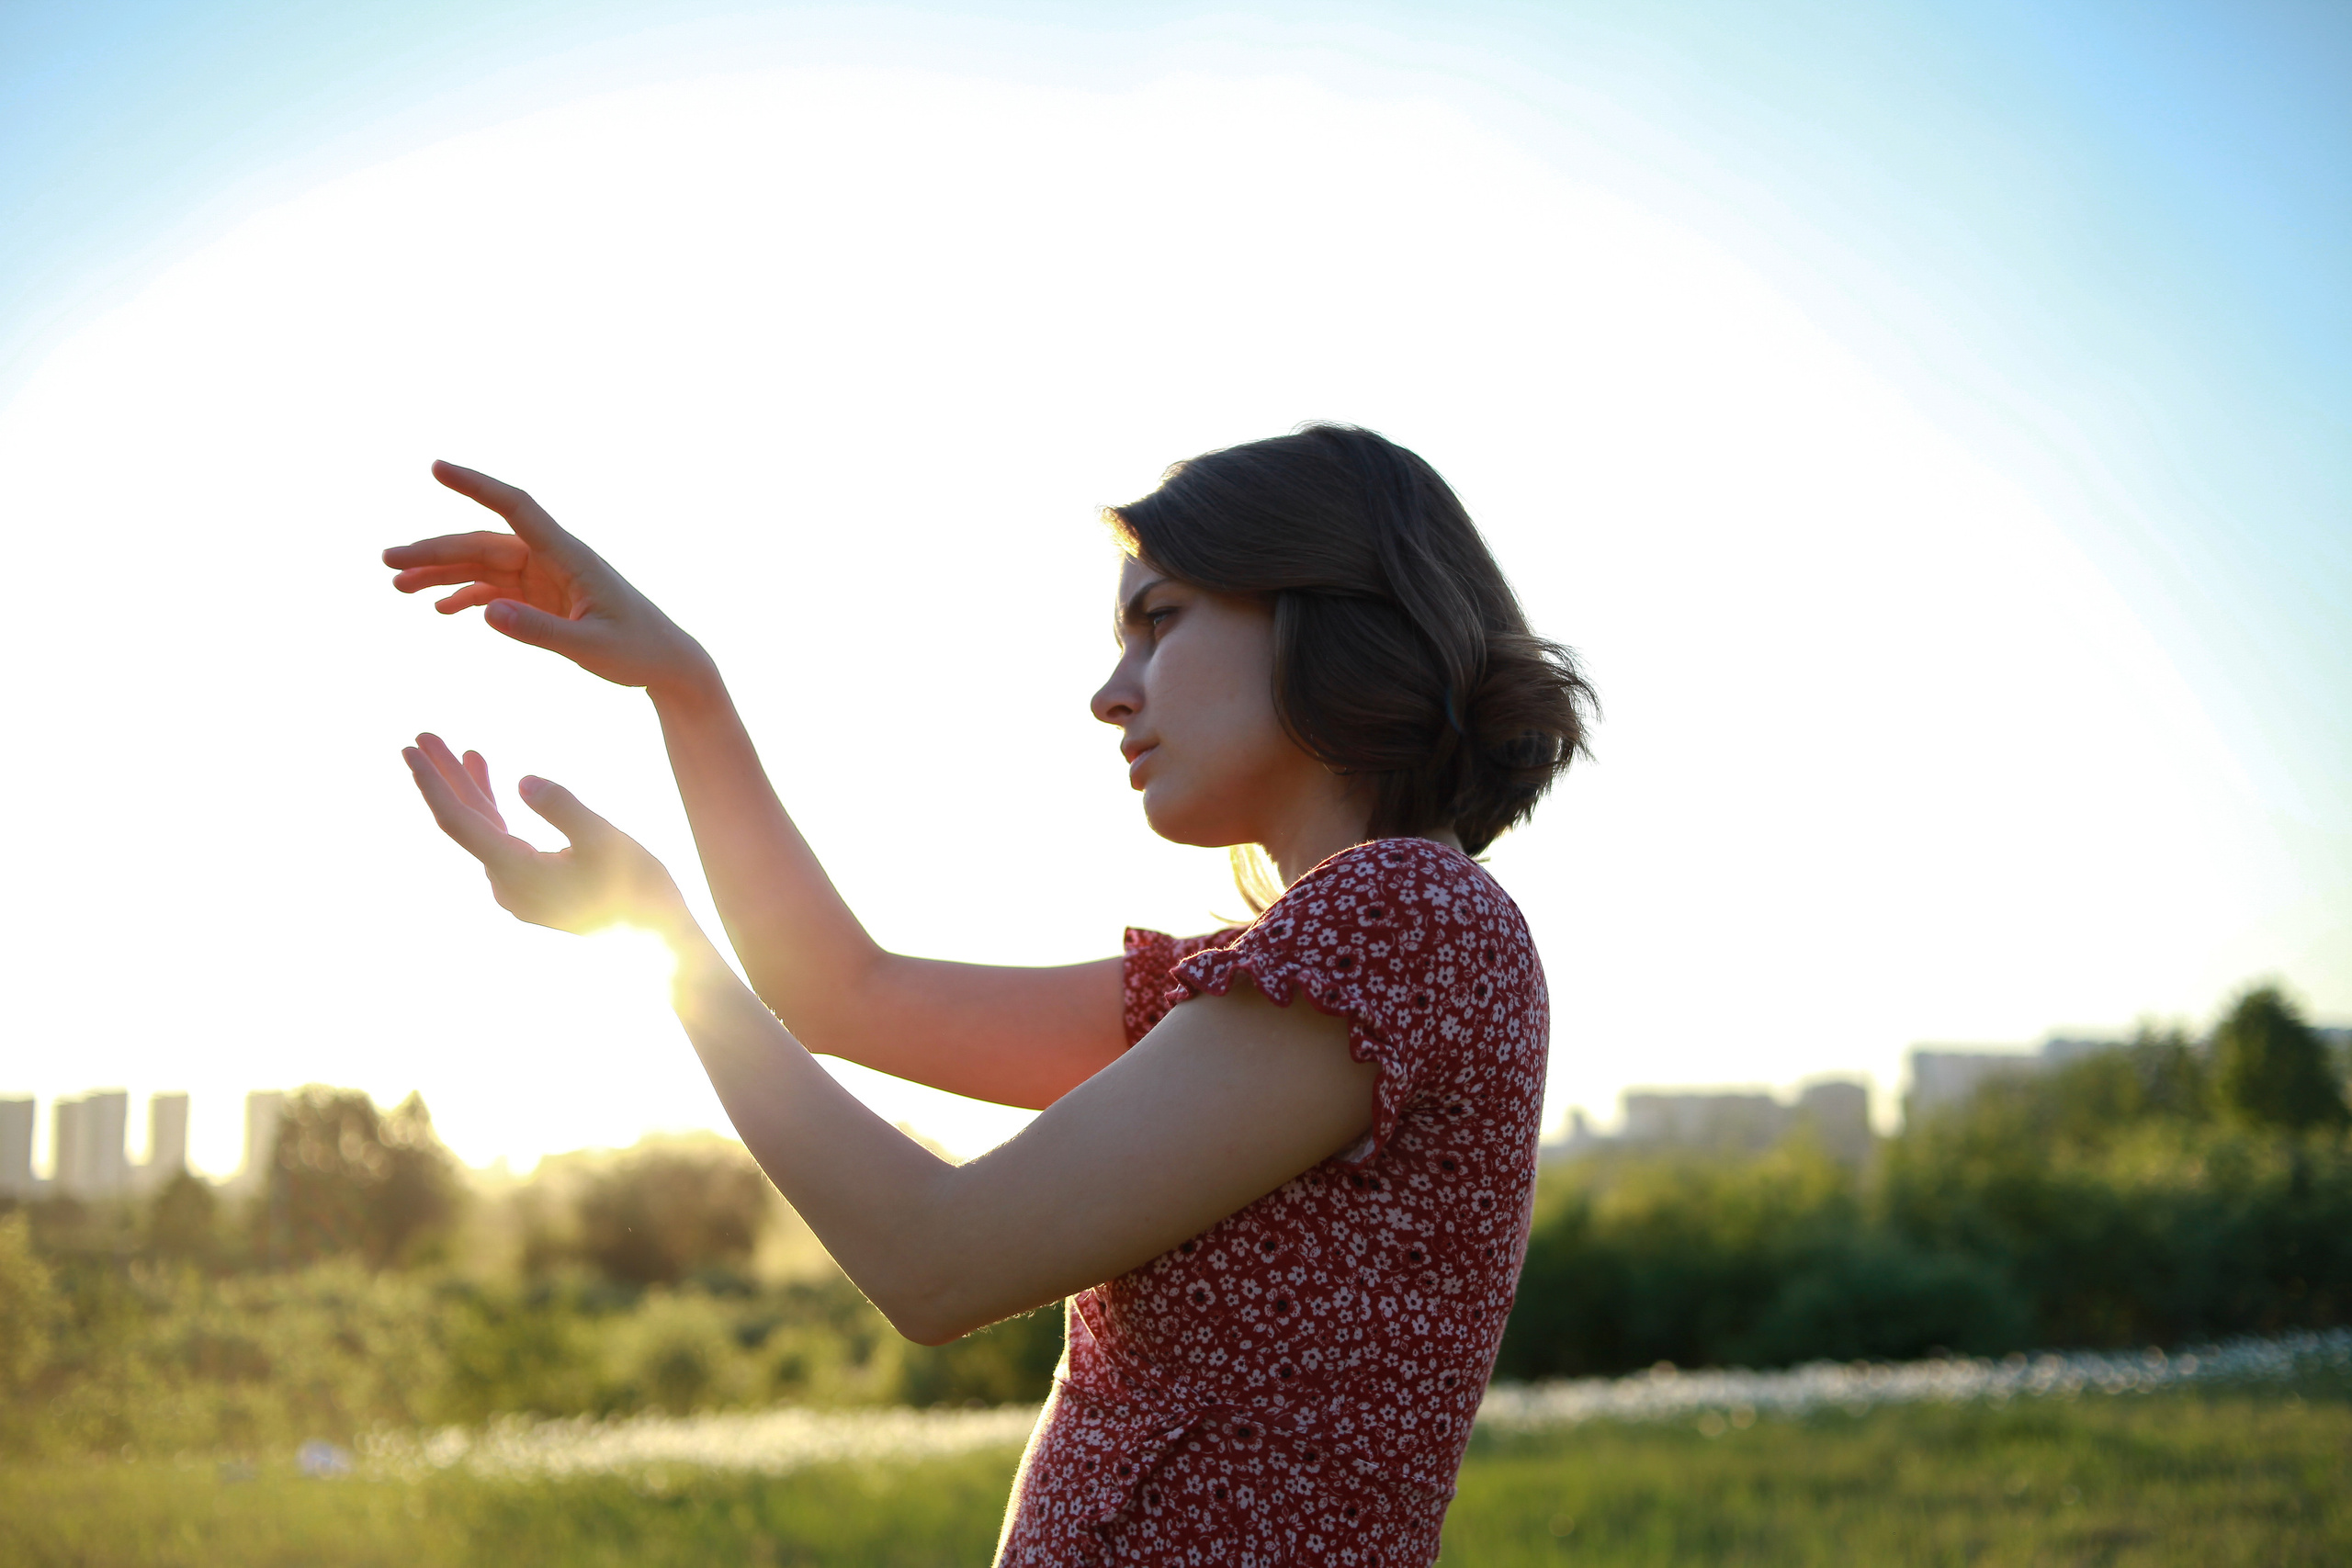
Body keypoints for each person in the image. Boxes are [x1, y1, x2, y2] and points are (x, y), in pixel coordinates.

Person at [385, 423, 1595, 1564]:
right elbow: (839, 993)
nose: (1112, 693)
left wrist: (667, 939)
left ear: (1327, 618)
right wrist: (686, 689)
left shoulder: (1405, 928)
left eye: (1159, 622)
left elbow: (933, 1263)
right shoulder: (1276, 973)